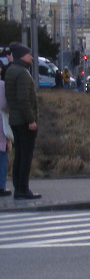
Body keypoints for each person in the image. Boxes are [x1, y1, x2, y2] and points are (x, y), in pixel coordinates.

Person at [4, 42, 41, 199]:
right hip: (24, 121)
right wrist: (31, 120)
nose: (31, 57)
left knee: (19, 155)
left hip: (15, 120)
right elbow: (24, 100)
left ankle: (18, 187)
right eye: (29, 54)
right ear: (21, 56)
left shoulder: (11, 71)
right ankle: (22, 190)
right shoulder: (23, 74)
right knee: (25, 156)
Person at [0, 68, 13, 196]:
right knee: (2, 156)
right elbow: (6, 104)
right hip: (1, 125)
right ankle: (1, 187)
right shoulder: (2, 86)